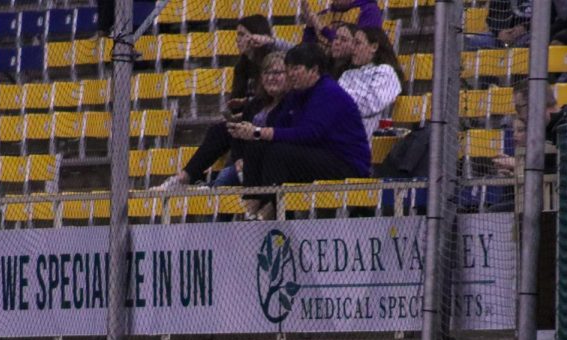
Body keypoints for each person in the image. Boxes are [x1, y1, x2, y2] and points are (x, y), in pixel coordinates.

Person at [231, 43, 371, 220]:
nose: (290, 74)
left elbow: (310, 133)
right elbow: (281, 126)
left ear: (314, 70)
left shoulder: (329, 92)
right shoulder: (297, 94)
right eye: (288, 69)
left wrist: (262, 131)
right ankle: (252, 204)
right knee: (257, 146)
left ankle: (278, 216)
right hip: (316, 156)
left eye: (296, 68)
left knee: (278, 153)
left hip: (345, 163)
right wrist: (253, 133)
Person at [158, 52, 292, 190]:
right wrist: (239, 159)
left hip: (270, 162)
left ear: (289, 76)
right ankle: (185, 179)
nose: (271, 78)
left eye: (277, 73)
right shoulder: (255, 104)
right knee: (221, 130)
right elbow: (238, 137)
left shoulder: (291, 105)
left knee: (226, 175)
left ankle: (210, 187)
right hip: (247, 160)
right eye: (266, 73)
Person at [339, 27, 404, 140]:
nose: (352, 48)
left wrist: (341, 97)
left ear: (373, 47)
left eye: (357, 43)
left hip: (366, 139)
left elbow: (367, 106)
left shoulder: (386, 72)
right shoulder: (347, 74)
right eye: (352, 43)